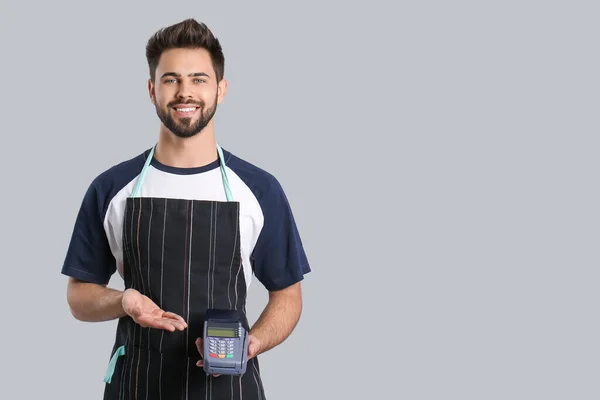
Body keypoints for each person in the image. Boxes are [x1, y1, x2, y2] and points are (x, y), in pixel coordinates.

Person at [61, 18, 311, 400]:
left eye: (198, 79)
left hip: (230, 385)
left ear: (220, 90)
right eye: (171, 79)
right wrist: (122, 301)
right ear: (152, 90)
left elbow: (288, 295)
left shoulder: (260, 189)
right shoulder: (112, 187)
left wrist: (254, 343)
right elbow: (79, 296)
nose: (184, 92)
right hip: (137, 384)